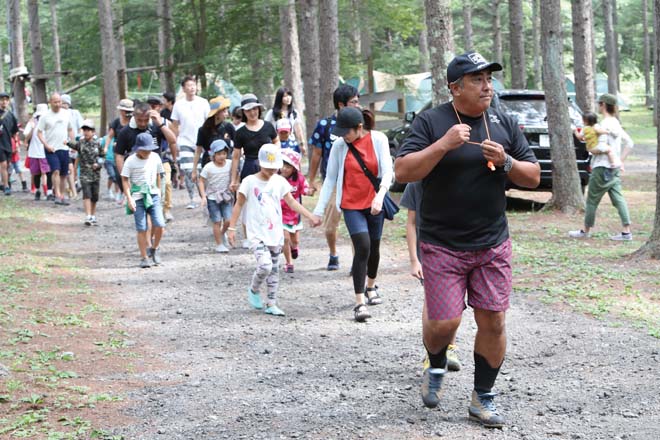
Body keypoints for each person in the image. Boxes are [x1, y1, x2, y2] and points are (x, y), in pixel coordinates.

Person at [394, 51, 540, 428]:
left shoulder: (504, 122)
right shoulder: (432, 121)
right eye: (478, 80)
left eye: (489, 79)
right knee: (444, 324)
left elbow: (533, 177)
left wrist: (507, 161)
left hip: (492, 243)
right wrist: (443, 145)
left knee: (493, 321)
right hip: (442, 244)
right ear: (455, 88)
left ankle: (482, 397)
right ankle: (437, 361)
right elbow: (403, 171)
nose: (487, 86)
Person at [312, 107, 392, 322]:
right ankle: (359, 303)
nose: (342, 136)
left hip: (375, 201)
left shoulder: (379, 140)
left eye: (346, 132)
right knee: (362, 245)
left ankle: (371, 285)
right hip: (351, 204)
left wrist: (380, 196)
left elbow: (387, 172)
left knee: (374, 245)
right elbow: (330, 179)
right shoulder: (340, 146)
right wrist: (318, 211)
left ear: (359, 128)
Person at [227, 144, 320, 317]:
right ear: (260, 164)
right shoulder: (249, 182)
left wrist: (310, 216)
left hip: (275, 233)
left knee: (275, 270)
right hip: (256, 234)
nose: (271, 171)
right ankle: (254, 289)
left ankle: (271, 303)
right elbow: (238, 204)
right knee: (265, 265)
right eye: (267, 167)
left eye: (274, 167)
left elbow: (292, 202)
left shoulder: (279, 182)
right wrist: (231, 228)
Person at [400, 181, 461, 371]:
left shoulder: (457, 177)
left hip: (457, 249)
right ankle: (431, 353)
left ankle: (450, 348)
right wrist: (413, 260)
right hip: (428, 252)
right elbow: (411, 223)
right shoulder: (416, 183)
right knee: (432, 302)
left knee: (455, 303)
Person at [307, 85, 361, 271]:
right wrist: (311, 180)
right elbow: (316, 154)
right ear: (341, 104)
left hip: (356, 181)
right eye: (353, 102)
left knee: (358, 227)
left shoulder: (359, 123)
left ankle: (357, 263)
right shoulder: (325, 125)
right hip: (334, 181)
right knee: (330, 226)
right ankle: (333, 253)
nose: (358, 105)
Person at [569, 93, 633, 241]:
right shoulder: (616, 123)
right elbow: (630, 143)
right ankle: (626, 232)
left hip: (601, 167)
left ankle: (585, 230)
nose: (598, 106)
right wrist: (619, 161)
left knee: (592, 200)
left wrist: (591, 150)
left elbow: (602, 146)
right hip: (613, 167)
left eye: (599, 104)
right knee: (618, 198)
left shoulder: (603, 125)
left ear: (603, 105)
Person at [230, 94, 279, 248]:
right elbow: (236, 156)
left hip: (269, 167)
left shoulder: (268, 127)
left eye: (254, 109)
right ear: (244, 113)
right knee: (247, 202)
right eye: (248, 110)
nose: (252, 112)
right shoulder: (240, 132)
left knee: (269, 200)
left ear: (259, 109)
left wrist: (277, 160)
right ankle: (248, 235)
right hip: (250, 167)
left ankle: (269, 232)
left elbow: (276, 142)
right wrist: (234, 179)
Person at [121, 132, 166, 268]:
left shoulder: (155, 157)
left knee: (160, 224)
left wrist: (158, 190)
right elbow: (124, 179)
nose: (147, 152)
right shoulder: (130, 160)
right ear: (138, 149)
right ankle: (144, 257)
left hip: (153, 194)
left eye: (149, 150)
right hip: (138, 196)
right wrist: (129, 198)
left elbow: (159, 174)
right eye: (144, 150)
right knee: (141, 227)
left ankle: (155, 247)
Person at [170, 76, 210, 209]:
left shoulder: (203, 102)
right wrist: (175, 141)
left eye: (193, 85)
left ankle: (203, 196)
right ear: (184, 88)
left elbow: (208, 121)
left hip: (202, 141)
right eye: (189, 85)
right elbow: (174, 124)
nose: (192, 88)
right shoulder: (178, 104)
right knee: (188, 170)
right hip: (185, 140)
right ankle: (192, 197)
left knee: (201, 170)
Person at [37, 93, 75, 205]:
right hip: (51, 149)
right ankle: (57, 194)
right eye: (55, 102)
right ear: (50, 102)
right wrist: (46, 145)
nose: (58, 104)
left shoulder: (66, 114)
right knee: (55, 170)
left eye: (59, 102)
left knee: (64, 174)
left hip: (63, 148)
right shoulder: (45, 116)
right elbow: (39, 133)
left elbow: (70, 129)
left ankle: (62, 196)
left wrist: (72, 144)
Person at [66, 119, 103, 225]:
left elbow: (102, 156)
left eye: (88, 130)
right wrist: (66, 142)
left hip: (95, 174)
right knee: (86, 194)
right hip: (84, 173)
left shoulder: (97, 143)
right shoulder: (81, 143)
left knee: (94, 196)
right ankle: (88, 216)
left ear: (93, 132)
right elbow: (74, 145)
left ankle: (93, 214)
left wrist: (98, 164)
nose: (86, 132)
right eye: (84, 130)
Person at [199, 140, 233, 253]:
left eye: (224, 153)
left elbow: (235, 174)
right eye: (218, 154)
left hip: (226, 196)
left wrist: (234, 184)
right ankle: (219, 244)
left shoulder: (230, 164)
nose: (222, 156)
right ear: (213, 155)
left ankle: (222, 234)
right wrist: (203, 196)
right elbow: (201, 181)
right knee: (217, 221)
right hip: (213, 198)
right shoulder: (208, 167)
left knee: (228, 220)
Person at [279, 149, 310, 273]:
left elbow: (305, 189)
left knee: (295, 240)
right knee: (285, 238)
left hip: (294, 213)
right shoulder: (276, 178)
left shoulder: (299, 178)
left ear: (294, 169)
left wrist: (310, 191)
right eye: (283, 165)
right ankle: (289, 262)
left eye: (288, 167)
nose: (285, 169)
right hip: (280, 212)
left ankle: (294, 247)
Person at [148, 95, 176, 222]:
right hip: (147, 159)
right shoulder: (142, 122)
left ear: (159, 107)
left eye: (155, 106)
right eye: (150, 106)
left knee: (167, 184)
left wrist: (175, 158)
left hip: (163, 158)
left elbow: (173, 141)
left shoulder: (165, 122)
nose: (152, 108)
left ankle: (167, 209)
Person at [193, 96, 235, 177]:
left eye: (227, 111)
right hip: (209, 165)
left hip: (227, 164)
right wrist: (194, 170)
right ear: (217, 113)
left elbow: (238, 145)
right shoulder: (203, 130)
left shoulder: (228, 127)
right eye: (224, 111)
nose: (227, 114)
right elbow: (198, 151)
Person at [105, 98, 134, 203]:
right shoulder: (116, 122)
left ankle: (131, 194)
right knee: (119, 174)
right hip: (118, 151)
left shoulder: (133, 121)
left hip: (131, 151)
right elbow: (109, 136)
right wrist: (106, 147)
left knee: (132, 173)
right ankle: (124, 192)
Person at [264, 87, 306, 156]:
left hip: (291, 143)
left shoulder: (294, 113)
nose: (288, 98)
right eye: (285, 96)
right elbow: (266, 127)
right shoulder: (272, 113)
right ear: (279, 98)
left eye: (289, 95)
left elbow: (298, 129)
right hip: (275, 142)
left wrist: (302, 144)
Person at [24, 103, 52, 201]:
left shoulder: (50, 121)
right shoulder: (32, 122)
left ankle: (49, 192)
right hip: (34, 151)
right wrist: (32, 128)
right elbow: (26, 138)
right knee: (36, 173)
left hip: (46, 151)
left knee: (48, 172)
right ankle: (37, 190)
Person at [61, 94, 83, 199]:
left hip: (74, 142)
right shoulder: (58, 114)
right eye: (62, 103)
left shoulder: (74, 113)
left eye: (65, 103)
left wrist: (77, 140)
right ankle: (70, 186)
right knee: (67, 166)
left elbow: (80, 127)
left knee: (75, 165)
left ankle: (75, 182)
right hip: (63, 143)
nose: (64, 105)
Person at [0, 91, 19, 196]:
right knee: (3, 165)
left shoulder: (10, 115)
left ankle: (4, 183)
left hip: (8, 143)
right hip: (0, 144)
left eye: (6, 100)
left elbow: (14, 131)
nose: (4, 102)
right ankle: (6, 186)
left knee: (7, 165)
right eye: (2, 100)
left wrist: (15, 144)